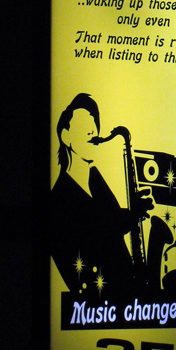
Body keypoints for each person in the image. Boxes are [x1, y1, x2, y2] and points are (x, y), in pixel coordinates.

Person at [50, 93, 152, 296]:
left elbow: (109, 219)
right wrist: (130, 217)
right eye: (83, 125)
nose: (93, 131)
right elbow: (96, 232)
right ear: (65, 136)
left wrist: (132, 213)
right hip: (100, 301)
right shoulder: (59, 199)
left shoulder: (95, 178)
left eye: (94, 123)